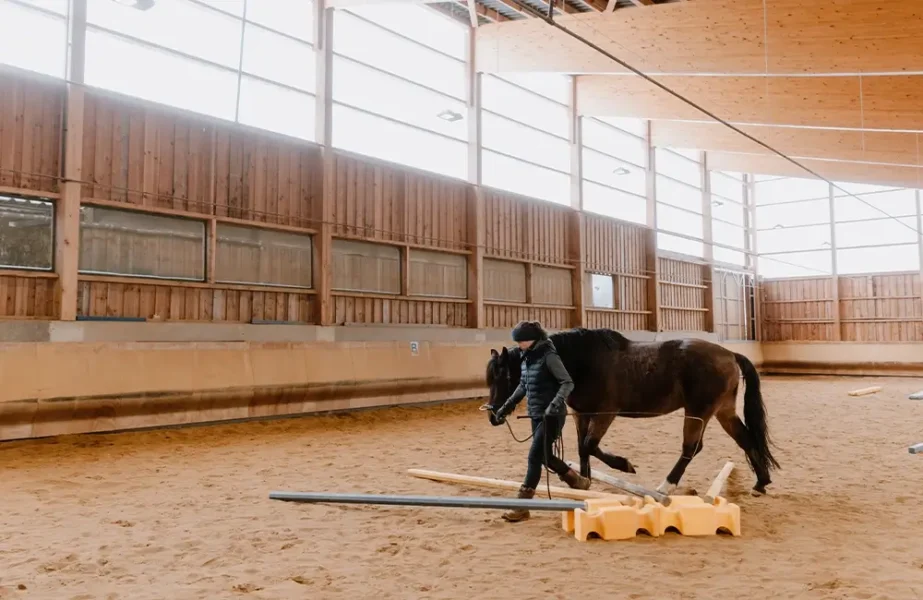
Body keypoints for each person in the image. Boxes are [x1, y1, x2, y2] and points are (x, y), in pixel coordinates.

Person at [492, 320, 591, 522]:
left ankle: (522, 507)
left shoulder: (549, 356)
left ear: (532, 340)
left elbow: (567, 382)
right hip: (536, 414)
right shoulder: (526, 358)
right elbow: (522, 386)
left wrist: (555, 403)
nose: (518, 345)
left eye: (521, 341)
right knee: (545, 455)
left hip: (552, 415)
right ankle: (577, 481)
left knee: (534, 457)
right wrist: (505, 408)